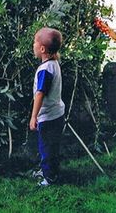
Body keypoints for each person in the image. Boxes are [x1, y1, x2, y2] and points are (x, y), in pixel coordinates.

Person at [29, 27, 65, 187]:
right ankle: (49, 171)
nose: (33, 45)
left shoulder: (44, 70)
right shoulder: (54, 63)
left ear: (42, 49)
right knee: (52, 146)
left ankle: (49, 178)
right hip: (57, 113)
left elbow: (40, 93)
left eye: (35, 42)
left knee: (46, 148)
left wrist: (33, 116)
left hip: (48, 116)